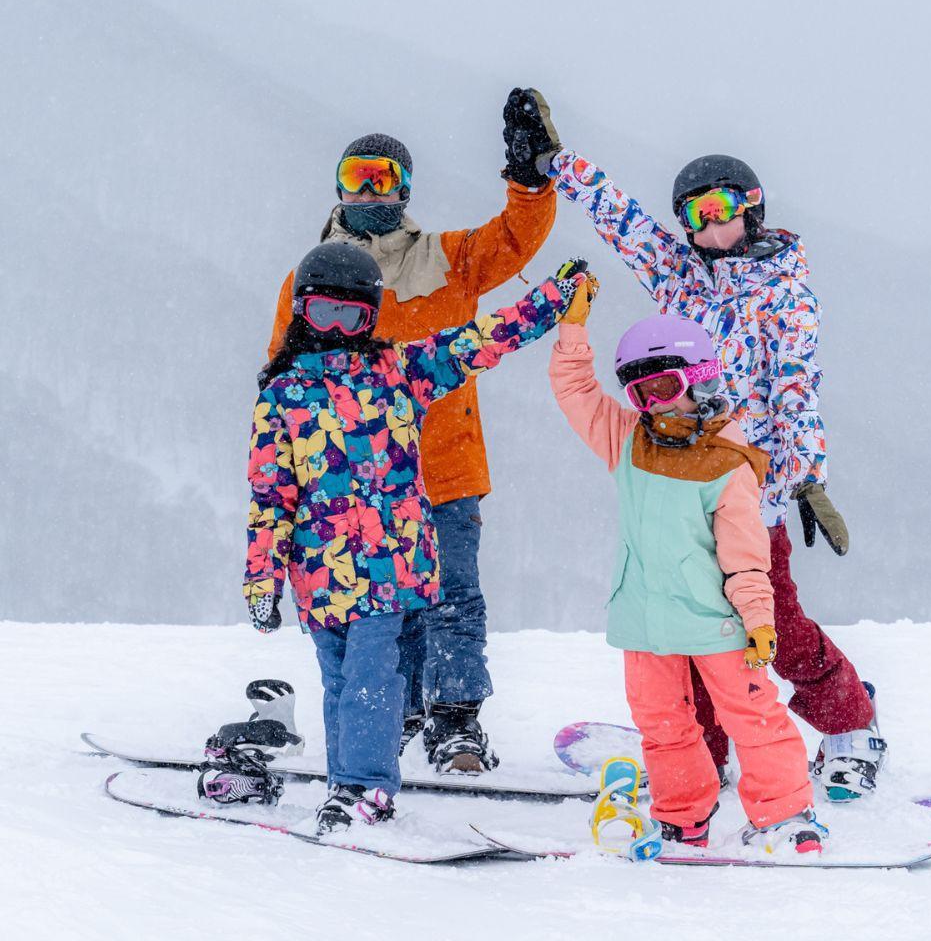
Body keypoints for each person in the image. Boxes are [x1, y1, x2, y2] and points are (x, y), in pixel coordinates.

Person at [522, 105, 885, 802]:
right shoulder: (682, 275)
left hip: (752, 489)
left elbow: (796, 387)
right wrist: (557, 163)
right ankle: (702, 756)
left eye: (721, 209)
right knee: (691, 629)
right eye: (694, 216)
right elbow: (621, 219)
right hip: (679, 477)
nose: (709, 227)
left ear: (752, 209)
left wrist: (805, 479)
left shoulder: (785, 293)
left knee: (771, 623)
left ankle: (852, 724)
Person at [265, 91, 562, 773]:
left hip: (444, 468)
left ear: (405, 189)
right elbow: (283, 378)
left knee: (452, 598)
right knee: (381, 604)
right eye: (358, 177)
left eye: (384, 178)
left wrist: (528, 178)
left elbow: (516, 239)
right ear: (338, 187)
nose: (371, 191)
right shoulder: (314, 279)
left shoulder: (448, 260)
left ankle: (455, 722)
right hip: (354, 483)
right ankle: (393, 713)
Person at [246, 240, 585, 832]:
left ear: (371, 318)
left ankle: (365, 789)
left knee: (372, 677)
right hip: (321, 576)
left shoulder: (398, 371)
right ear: (301, 312)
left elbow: (483, 340)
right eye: (323, 312)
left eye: (350, 316)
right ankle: (346, 782)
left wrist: (553, 298)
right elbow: (271, 496)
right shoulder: (282, 396)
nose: (335, 327)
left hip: (391, 567)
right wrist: (262, 577)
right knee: (340, 683)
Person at [549, 287, 826, 853]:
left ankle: (785, 814)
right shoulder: (628, 439)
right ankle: (682, 816)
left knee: (751, 714)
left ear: (700, 381)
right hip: (644, 622)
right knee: (662, 724)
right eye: (640, 393)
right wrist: (573, 330)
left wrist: (758, 619)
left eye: (665, 389)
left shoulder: (728, 462)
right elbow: (575, 390)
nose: (654, 405)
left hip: (714, 623)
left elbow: (746, 555)